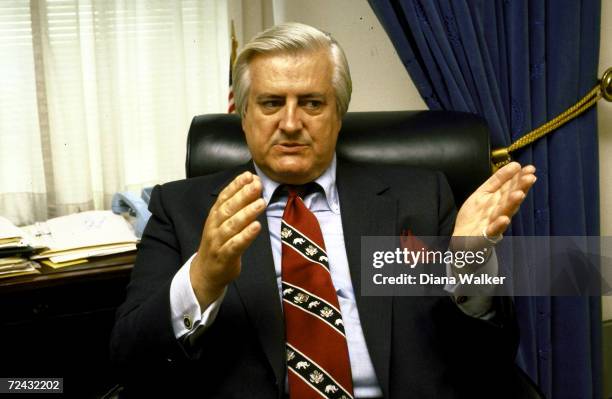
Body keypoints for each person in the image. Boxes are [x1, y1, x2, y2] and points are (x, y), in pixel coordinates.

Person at [110, 22, 537, 398]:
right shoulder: (180, 207)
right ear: (242, 115)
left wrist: (467, 264)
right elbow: (131, 360)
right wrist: (203, 277)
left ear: (338, 114)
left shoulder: (420, 198)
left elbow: (489, 359)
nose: (292, 122)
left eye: (312, 103)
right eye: (271, 103)